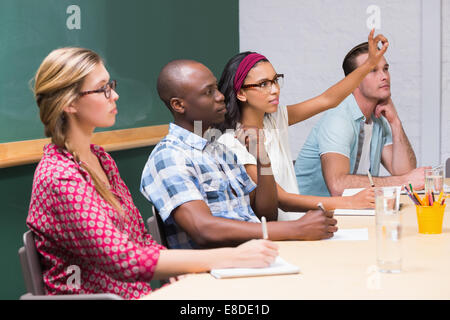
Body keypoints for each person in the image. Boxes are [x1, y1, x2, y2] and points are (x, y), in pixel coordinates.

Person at [27, 47, 278, 300]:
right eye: (103, 88)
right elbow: (122, 259)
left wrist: (182, 265)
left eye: (110, 85)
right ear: (70, 103)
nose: (114, 95)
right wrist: (230, 257)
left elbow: (139, 239)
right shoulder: (60, 176)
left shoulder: (100, 159)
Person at [140, 59, 338, 249]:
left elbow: (265, 215)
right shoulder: (169, 156)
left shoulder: (220, 151)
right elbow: (203, 229)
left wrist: (263, 161)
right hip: (217, 270)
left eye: (216, 88)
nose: (220, 96)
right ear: (178, 105)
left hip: (258, 255)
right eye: (208, 92)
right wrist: (296, 228)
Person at [215, 30, 387, 221]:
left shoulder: (274, 119)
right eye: (263, 84)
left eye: (275, 80)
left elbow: (328, 99)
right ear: (241, 94)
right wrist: (350, 202)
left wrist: (370, 64)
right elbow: (283, 200)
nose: (275, 89)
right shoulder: (232, 142)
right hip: (278, 236)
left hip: (299, 227)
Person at [294, 41, 427, 197]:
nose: (384, 76)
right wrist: (402, 181)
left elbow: (405, 172)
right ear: (354, 81)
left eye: (385, 69)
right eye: (373, 71)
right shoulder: (339, 118)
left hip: (350, 212)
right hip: (307, 215)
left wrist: (395, 122)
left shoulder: (378, 120)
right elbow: (338, 186)